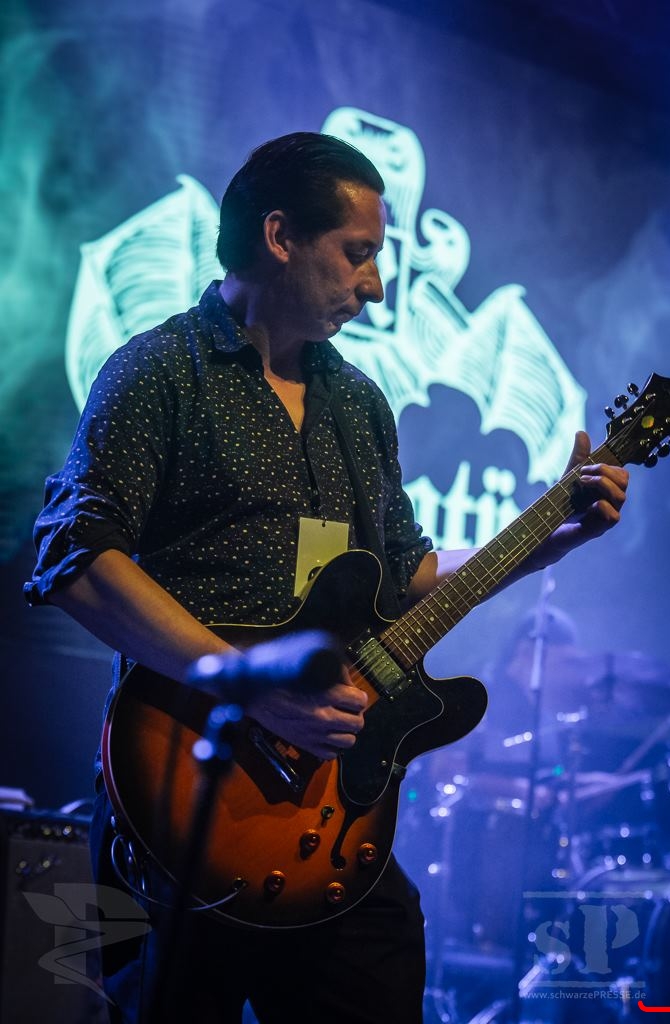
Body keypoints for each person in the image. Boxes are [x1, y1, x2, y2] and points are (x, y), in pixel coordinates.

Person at [24, 132, 629, 1024]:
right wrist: (246, 685)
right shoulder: (160, 371)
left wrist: (549, 536)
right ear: (279, 236)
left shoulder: (357, 402)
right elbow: (74, 558)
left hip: (329, 818)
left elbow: (408, 572)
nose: (375, 284)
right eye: (358, 253)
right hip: (188, 802)